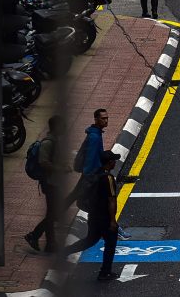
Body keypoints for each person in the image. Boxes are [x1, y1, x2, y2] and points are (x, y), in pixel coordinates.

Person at [64, 150, 121, 282]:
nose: (115, 162)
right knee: (111, 242)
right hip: (104, 217)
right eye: (113, 160)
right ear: (110, 162)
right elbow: (112, 200)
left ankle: (65, 252)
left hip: (93, 216)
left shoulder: (95, 174)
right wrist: (112, 221)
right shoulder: (108, 178)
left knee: (90, 240)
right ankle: (105, 272)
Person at [24, 115, 66, 253]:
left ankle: (49, 243)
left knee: (53, 213)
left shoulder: (56, 141)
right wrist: (60, 168)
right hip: (50, 183)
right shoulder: (48, 142)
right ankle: (37, 236)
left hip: (55, 182)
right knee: (52, 213)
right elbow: (43, 162)